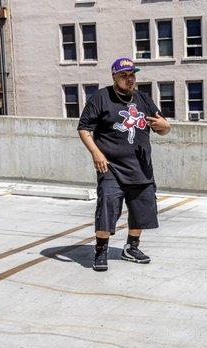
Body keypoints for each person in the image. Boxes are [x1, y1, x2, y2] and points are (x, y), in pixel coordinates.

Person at [77, 57, 171, 271]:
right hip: (111, 166)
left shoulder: (143, 99)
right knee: (107, 206)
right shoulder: (101, 98)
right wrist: (96, 153)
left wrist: (167, 126)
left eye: (132, 75)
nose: (130, 80)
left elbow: (162, 128)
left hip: (141, 166)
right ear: (114, 77)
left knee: (141, 209)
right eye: (124, 76)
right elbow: (84, 128)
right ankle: (101, 250)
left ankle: (132, 247)